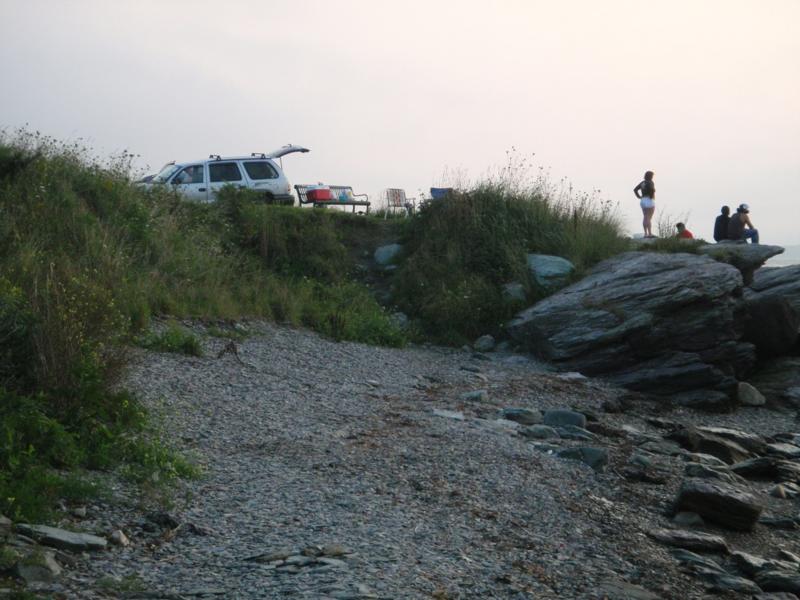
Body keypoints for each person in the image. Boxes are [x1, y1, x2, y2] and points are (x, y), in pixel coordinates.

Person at [633, 171, 656, 238]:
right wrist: (652, 196)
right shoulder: (650, 182)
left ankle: (646, 233)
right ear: (651, 176)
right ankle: (650, 233)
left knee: (645, 217)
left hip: (643, 200)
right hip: (649, 200)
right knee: (648, 218)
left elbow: (635, 190)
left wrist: (639, 196)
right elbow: (652, 189)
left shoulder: (643, 182)